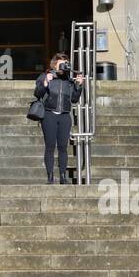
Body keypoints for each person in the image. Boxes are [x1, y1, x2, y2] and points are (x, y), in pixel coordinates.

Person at [34, 53, 84, 184]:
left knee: (63, 147)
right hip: (49, 115)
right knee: (50, 146)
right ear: (54, 64)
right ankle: (50, 176)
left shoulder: (68, 80)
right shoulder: (46, 76)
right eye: (62, 63)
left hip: (64, 116)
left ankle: (63, 176)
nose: (64, 65)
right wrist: (45, 83)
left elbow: (73, 99)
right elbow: (37, 93)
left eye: (66, 63)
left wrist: (78, 86)